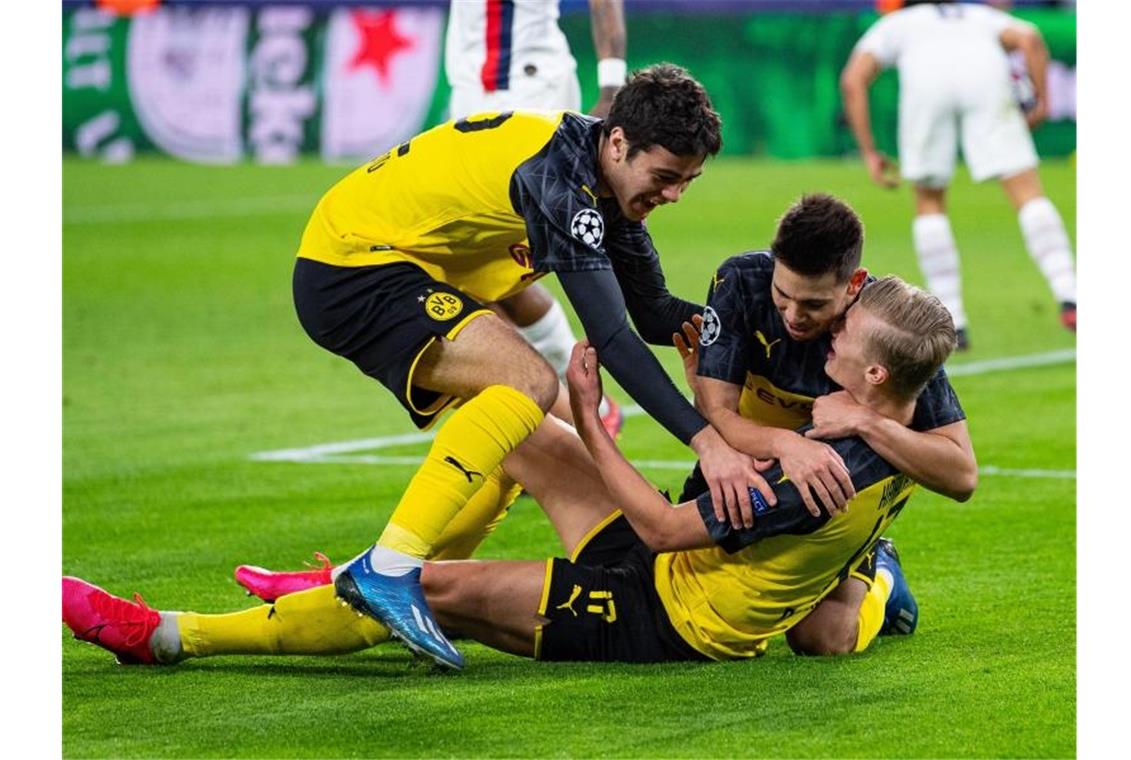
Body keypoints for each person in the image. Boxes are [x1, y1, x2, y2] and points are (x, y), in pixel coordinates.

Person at [62, 276, 957, 667]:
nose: (827, 333)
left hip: (669, 615)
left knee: (443, 589)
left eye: (843, 335)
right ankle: (376, 570)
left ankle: (166, 635)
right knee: (513, 433)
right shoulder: (909, 412)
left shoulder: (820, 471)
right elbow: (957, 466)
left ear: (873, 373)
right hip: (693, 568)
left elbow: (659, 528)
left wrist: (587, 410)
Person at [287, 63, 764, 670]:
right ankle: (392, 567)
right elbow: (612, 338)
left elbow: (652, 314)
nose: (672, 195)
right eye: (666, 177)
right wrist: (708, 443)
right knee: (531, 383)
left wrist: (760, 339)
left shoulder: (604, 185)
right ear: (618, 143)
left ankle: (409, 576)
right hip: (351, 266)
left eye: (686, 182)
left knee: (511, 419)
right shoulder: (560, 180)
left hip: (399, 271)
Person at [680, 193, 977, 654]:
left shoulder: (889, 328)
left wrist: (864, 421)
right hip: (742, 468)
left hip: (828, 506)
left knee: (822, 641)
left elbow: (961, 475)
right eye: (783, 295)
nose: (794, 316)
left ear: (854, 283)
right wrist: (786, 445)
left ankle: (883, 577)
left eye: (815, 305)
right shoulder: (740, 281)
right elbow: (717, 412)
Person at [840, 0, 1077, 349]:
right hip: (985, 78)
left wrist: (869, 151)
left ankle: (954, 320)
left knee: (930, 201)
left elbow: (852, 80)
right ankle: (1070, 292)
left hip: (927, 85)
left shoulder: (897, 24)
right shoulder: (978, 15)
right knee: (1027, 192)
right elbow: (1031, 40)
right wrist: (1040, 99)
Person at [446, 0, 629, 436]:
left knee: (476, 272)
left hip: (528, 91)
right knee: (488, 275)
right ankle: (576, 413)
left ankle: (559, 419)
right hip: (471, 90)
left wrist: (611, 85)